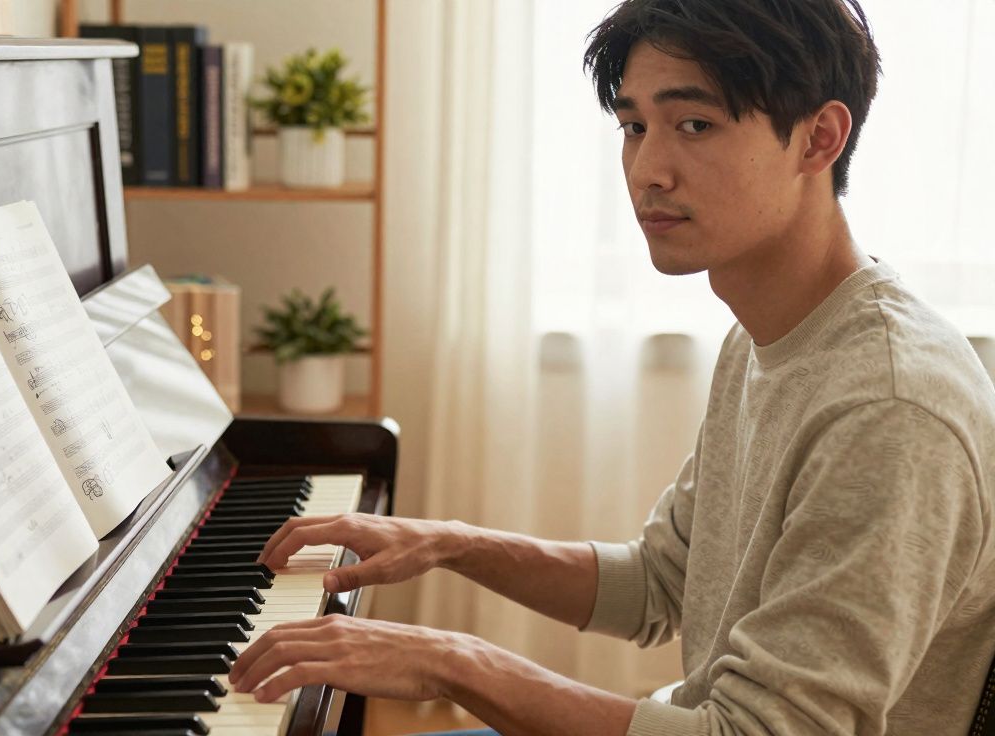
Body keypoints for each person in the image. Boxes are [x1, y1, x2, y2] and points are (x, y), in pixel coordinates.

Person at [227, 0, 995, 733]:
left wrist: (450, 660)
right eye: (633, 126)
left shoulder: (890, 407)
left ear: (819, 139)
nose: (647, 169)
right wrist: (450, 542)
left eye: (695, 124)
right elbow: (660, 583)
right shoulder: (768, 335)